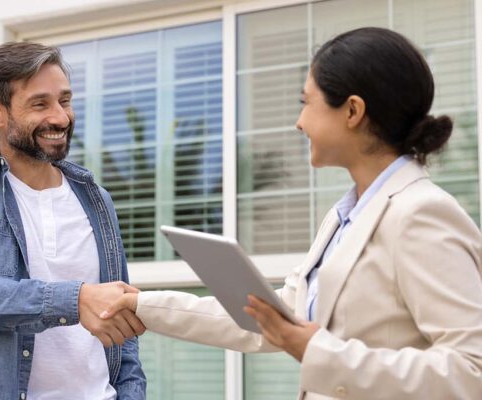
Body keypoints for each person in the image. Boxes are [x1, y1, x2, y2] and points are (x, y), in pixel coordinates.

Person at [103, 27, 482, 399]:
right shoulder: (344, 217)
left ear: (353, 110)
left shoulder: (420, 213)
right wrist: (143, 305)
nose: (299, 122)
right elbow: (266, 317)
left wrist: (317, 351)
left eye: (306, 102)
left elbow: (472, 371)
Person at [0, 41, 146, 399]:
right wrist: (75, 300)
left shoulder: (95, 198)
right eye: (40, 104)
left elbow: (123, 329)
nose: (60, 118)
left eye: (65, 101)